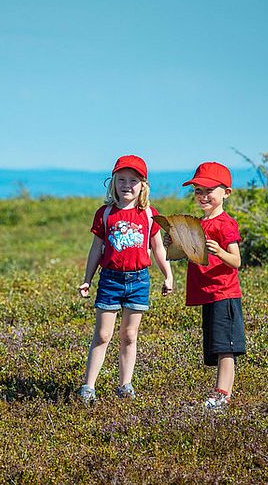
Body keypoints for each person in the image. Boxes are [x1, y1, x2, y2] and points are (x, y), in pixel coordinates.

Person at [76, 154, 174, 404]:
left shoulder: (150, 215)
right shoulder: (105, 213)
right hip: (110, 280)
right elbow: (96, 249)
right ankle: (88, 387)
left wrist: (168, 275)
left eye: (133, 180)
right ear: (113, 183)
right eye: (121, 180)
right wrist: (88, 279)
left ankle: (125, 385)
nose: (127, 185)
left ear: (143, 185)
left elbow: (159, 249)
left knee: (129, 335)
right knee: (103, 335)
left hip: (139, 280)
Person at [181, 161, 246, 410]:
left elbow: (236, 261)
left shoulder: (226, 224)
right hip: (207, 293)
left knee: (225, 348)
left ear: (226, 192)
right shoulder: (199, 223)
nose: (203, 195)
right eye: (198, 190)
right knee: (216, 346)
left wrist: (219, 251)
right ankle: (220, 394)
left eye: (209, 190)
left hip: (224, 293)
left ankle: (222, 396)